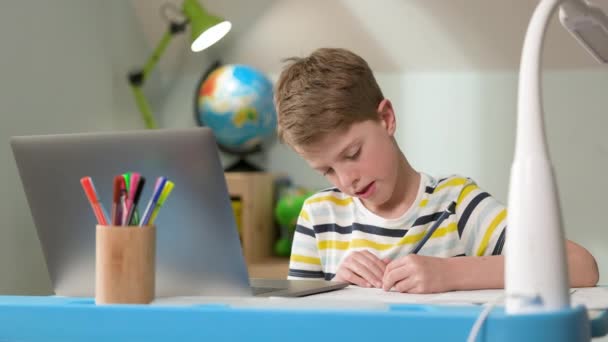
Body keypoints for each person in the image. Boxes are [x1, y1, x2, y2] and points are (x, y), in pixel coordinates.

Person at [274, 47, 599, 293]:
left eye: (353, 153)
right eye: (326, 171)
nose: (347, 181)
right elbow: (296, 328)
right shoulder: (317, 217)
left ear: (386, 119)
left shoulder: (455, 204)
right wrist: (335, 289)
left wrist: (450, 274)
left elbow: (580, 266)